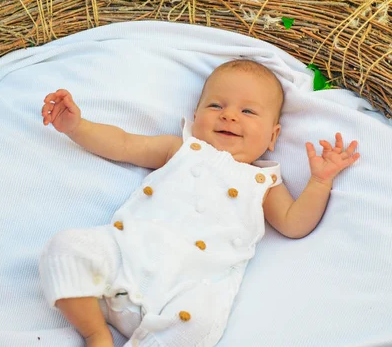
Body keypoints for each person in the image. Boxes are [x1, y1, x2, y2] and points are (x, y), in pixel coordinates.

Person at [39, 59, 360, 347]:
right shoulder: (181, 149)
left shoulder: (262, 182)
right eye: (216, 105)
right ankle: (96, 333)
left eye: (247, 111)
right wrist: (77, 127)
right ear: (195, 117)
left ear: (273, 136)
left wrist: (319, 181)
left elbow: (294, 223)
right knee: (67, 247)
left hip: (187, 289)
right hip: (126, 258)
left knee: (202, 324)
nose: (230, 115)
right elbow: (123, 144)